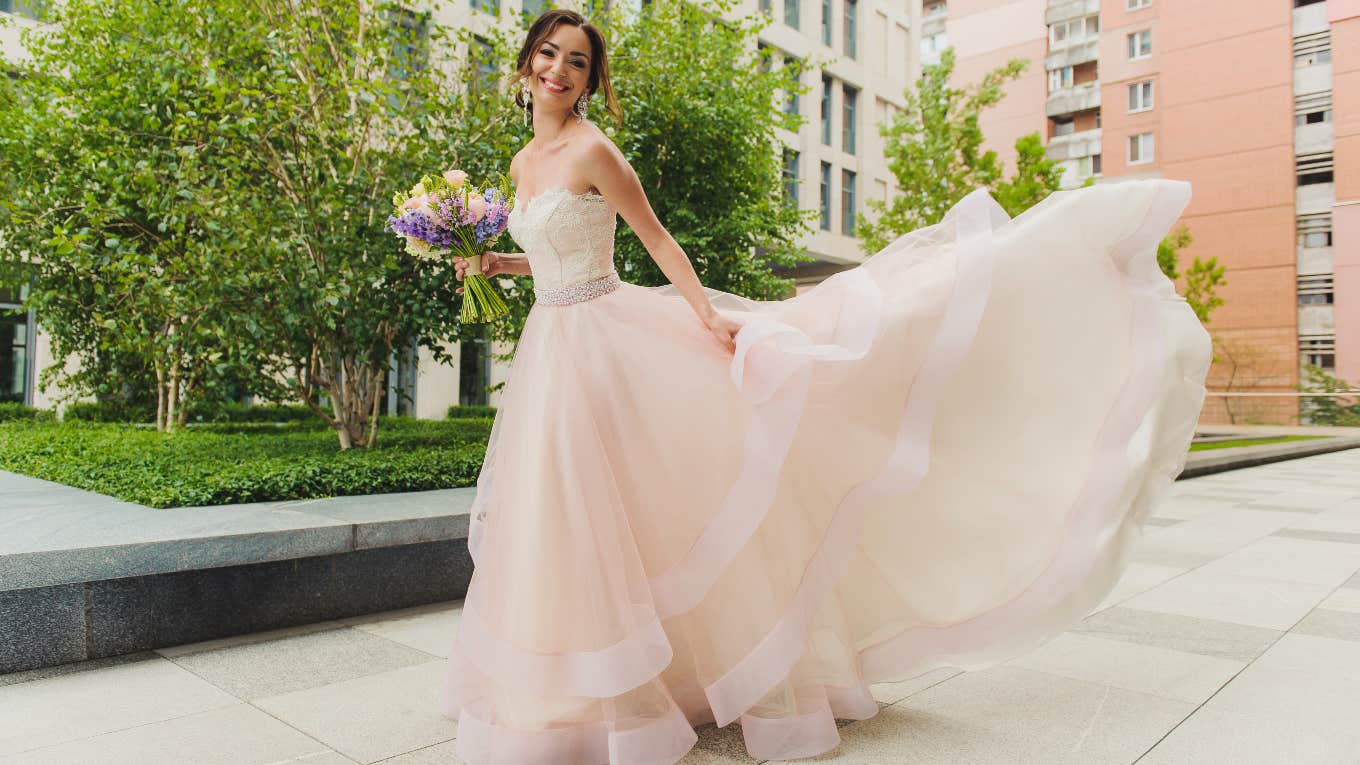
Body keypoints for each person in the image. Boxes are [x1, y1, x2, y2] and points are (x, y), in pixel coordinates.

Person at [442, 9, 1211, 765]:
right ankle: (586, 685)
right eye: (549, 53)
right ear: (525, 63)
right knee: (567, 509)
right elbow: (548, 254)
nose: (559, 70)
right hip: (554, 344)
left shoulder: (593, 149)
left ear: (589, 81)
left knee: (620, 503)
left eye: (576, 60)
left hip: (607, 339)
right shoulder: (521, 163)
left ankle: (656, 686)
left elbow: (654, 238)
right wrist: (491, 264)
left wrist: (707, 315)